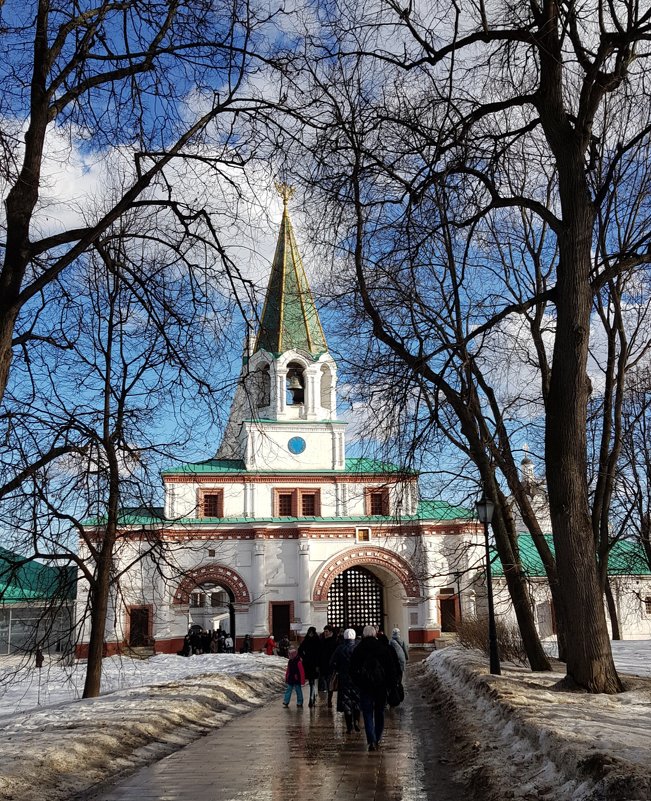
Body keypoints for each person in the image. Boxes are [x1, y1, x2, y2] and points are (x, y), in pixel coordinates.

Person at [350, 625, 398, 751]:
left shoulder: (358, 649)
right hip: (381, 687)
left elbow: (352, 669)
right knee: (379, 712)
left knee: (367, 713)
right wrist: (391, 685)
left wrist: (358, 682)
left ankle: (371, 739)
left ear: (364, 635)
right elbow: (390, 668)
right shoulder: (383, 648)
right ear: (375, 634)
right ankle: (377, 737)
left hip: (365, 687)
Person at [329, 628, 360, 733]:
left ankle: (349, 727)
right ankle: (356, 721)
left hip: (344, 678)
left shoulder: (340, 648)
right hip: (356, 679)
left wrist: (338, 669)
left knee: (346, 702)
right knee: (356, 700)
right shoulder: (358, 648)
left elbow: (332, 662)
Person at [298, 626, 320, 707]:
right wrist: (304, 657)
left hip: (315, 665)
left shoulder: (317, 641)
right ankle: (312, 698)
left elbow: (319, 653)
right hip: (308, 664)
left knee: (313, 682)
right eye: (309, 632)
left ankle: (312, 698)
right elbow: (300, 650)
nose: (310, 634)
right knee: (311, 682)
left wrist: (318, 664)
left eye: (312, 633)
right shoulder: (306, 640)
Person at [318, 625, 338, 706]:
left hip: (331, 666)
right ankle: (328, 698)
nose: (325, 633)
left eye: (327, 631)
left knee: (330, 682)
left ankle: (329, 700)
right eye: (325, 631)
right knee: (325, 681)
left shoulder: (335, 641)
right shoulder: (322, 640)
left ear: (331, 632)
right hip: (323, 665)